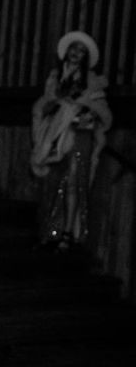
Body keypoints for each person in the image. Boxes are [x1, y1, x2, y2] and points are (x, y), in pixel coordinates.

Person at [30, 31, 112, 249]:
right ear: (67, 51)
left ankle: (67, 233)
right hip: (54, 137)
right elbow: (42, 107)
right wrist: (57, 106)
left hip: (79, 136)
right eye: (74, 48)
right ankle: (49, 230)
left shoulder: (92, 82)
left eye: (81, 51)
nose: (76, 53)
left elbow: (104, 114)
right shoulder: (55, 78)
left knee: (74, 182)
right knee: (51, 181)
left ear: (86, 57)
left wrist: (86, 108)